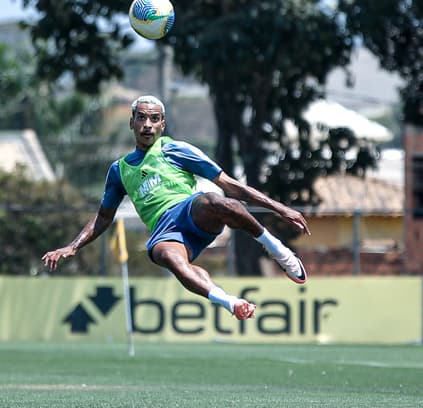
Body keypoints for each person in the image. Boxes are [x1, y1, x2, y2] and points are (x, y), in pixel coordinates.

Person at [42, 95, 310, 320]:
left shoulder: (174, 149)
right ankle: (229, 303)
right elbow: (103, 218)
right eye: (142, 118)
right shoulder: (119, 170)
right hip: (164, 232)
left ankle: (279, 251)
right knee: (171, 260)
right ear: (131, 122)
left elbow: (230, 184)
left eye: (154, 119)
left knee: (218, 201)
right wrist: (72, 246)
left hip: (191, 212)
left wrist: (281, 208)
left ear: (162, 124)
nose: (148, 125)